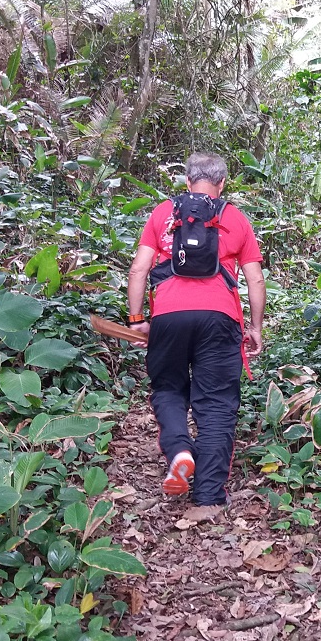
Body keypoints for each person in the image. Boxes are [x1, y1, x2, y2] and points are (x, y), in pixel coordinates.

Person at [125, 153, 266, 508]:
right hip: (219, 319)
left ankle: (179, 450)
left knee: (168, 388)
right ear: (222, 185)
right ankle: (208, 496)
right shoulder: (234, 217)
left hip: (169, 317)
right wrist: (255, 326)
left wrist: (137, 319)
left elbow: (139, 270)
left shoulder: (163, 213)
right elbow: (255, 278)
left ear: (187, 182)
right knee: (217, 404)